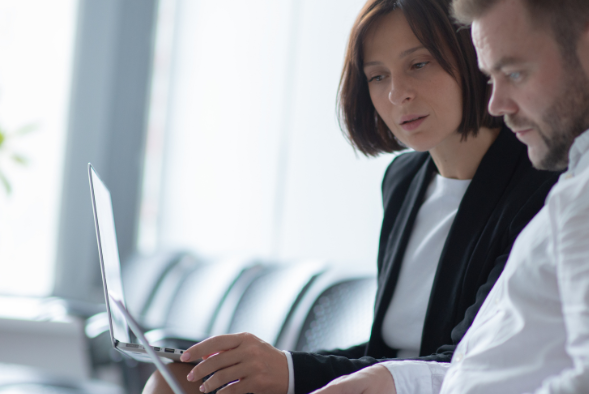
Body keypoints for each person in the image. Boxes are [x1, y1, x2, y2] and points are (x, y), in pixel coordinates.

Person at [311, 0, 589, 393]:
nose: (496, 103)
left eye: (514, 72)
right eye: (490, 76)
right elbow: (483, 368)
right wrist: (393, 381)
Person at [142, 0, 558, 393]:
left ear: (473, 56)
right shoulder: (405, 179)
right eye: (378, 76)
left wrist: (286, 371)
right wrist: (271, 366)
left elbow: (473, 363)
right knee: (176, 379)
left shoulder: (538, 186)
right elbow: (383, 351)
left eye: (418, 64)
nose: (398, 94)